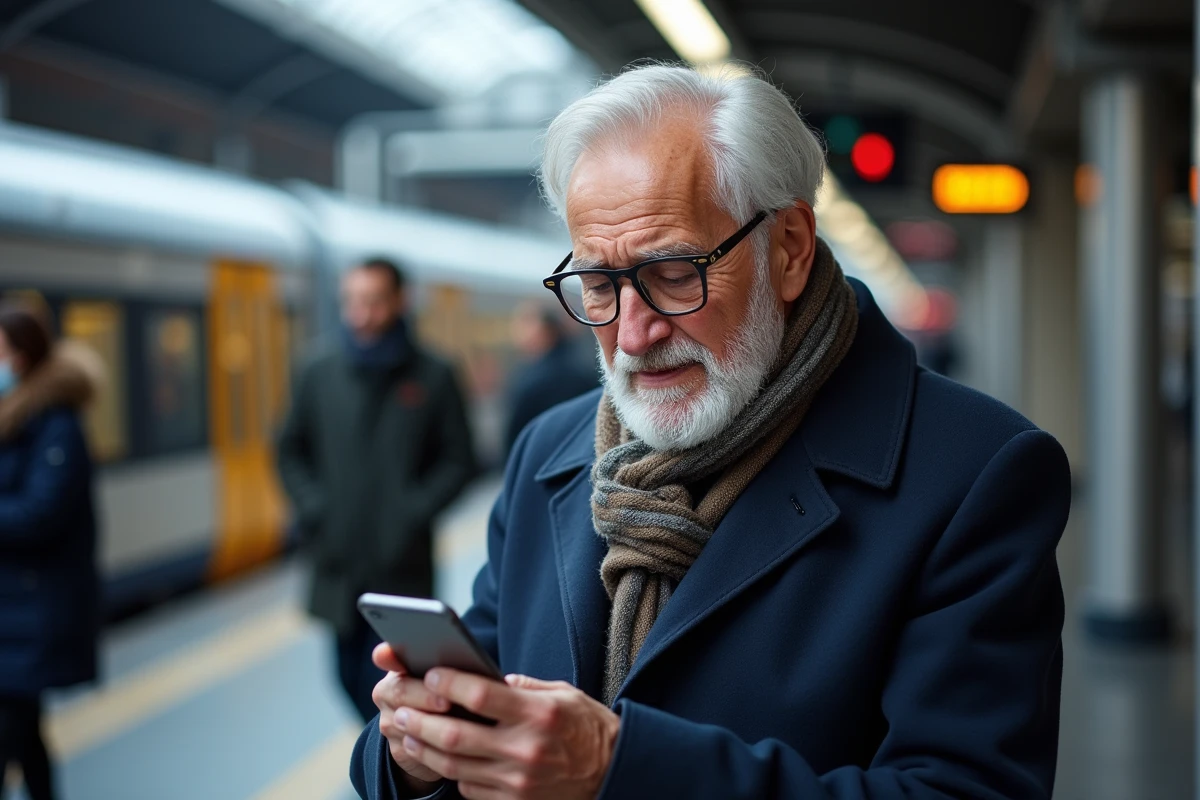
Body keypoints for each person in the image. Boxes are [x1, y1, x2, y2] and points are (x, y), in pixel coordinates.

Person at [351, 64, 1071, 800]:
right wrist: (415, 753)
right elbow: (482, 686)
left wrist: (616, 767)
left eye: (672, 274)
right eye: (598, 285)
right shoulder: (548, 453)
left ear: (788, 248)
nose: (634, 334)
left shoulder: (976, 474)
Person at [277, 257, 476, 723]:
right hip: (338, 561)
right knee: (346, 677)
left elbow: (459, 460)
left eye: (373, 302)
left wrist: (412, 511)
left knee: (396, 682)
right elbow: (290, 450)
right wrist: (315, 507)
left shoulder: (433, 374)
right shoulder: (317, 371)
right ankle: (384, 758)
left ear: (400, 301)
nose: (360, 314)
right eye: (351, 301)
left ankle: (391, 763)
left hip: (402, 564)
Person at [0, 304, 99, 800]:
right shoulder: (15, 418)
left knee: (12, 730)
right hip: (13, 610)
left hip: (31, 610)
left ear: (20, 357)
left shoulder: (56, 425)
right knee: (22, 734)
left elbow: (40, 513)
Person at [503, 301, 598, 456]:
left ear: (547, 331)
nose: (519, 333)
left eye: (527, 323)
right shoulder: (575, 364)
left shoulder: (543, 377)